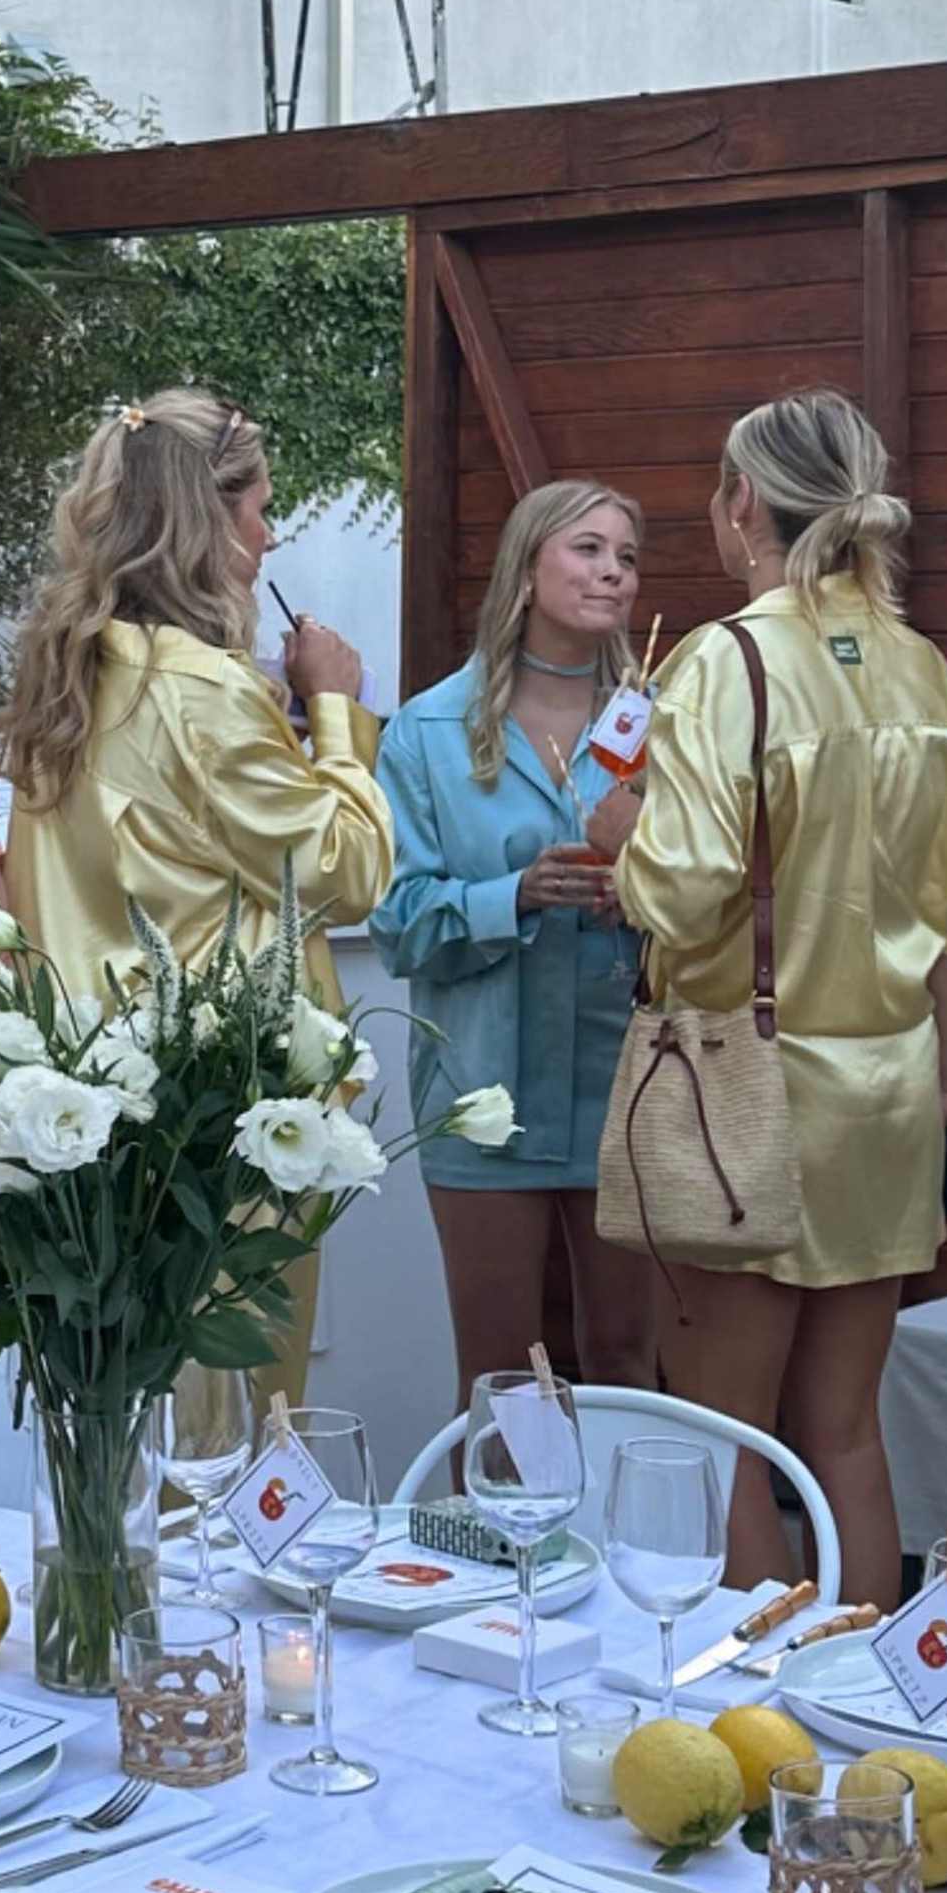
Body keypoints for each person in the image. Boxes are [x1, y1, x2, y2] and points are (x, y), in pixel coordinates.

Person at [613, 393, 947, 1606]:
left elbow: (679, 892)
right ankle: (874, 1706)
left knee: (730, 1436)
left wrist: (620, 833)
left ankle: (763, 1712)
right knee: (843, 1428)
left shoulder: (723, 662)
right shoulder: (929, 670)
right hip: (888, 1085)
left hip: (745, 1083)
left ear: (742, 505)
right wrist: (944, 1084)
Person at [0, 391, 391, 1398]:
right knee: (232, 1425)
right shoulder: (202, 687)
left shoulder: (67, 670)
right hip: (222, 1110)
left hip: (95, 1092)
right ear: (207, 521)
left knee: (123, 1418)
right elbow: (346, 868)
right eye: (260, 509)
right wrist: (338, 714)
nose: (267, 537)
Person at [377, 477, 660, 1406]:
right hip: (482, 1096)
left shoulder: (662, 725)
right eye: (588, 549)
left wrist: (651, 901)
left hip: (628, 1090)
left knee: (626, 1361)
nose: (612, 572)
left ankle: (627, 1552)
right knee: (500, 1375)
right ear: (526, 566)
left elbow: (725, 900)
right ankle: (496, 1553)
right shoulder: (425, 732)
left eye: (626, 556)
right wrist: (517, 895)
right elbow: (399, 922)